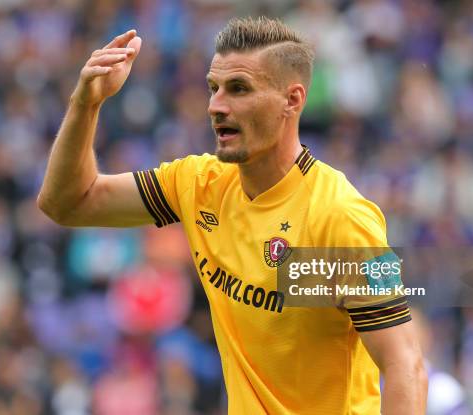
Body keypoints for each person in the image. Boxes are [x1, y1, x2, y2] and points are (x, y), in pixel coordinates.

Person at [37, 16, 427, 414]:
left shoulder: (338, 218)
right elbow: (68, 202)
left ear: (291, 100)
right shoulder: (200, 186)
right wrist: (86, 102)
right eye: (214, 88)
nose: (216, 106)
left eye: (238, 89)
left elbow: (404, 365)